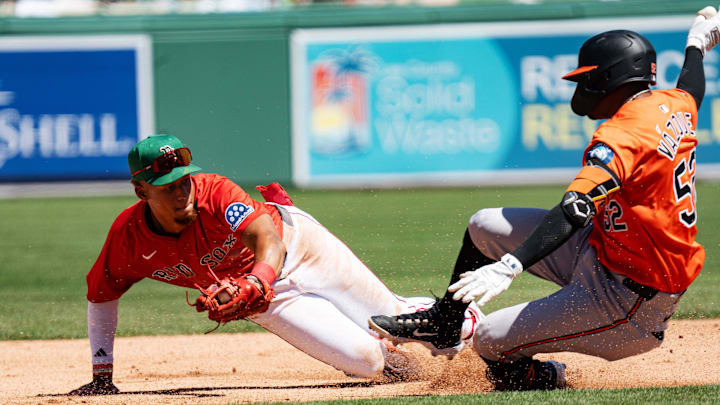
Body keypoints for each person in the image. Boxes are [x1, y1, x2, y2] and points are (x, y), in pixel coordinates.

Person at [369, 6, 719, 391]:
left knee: (488, 340)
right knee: (484, 224)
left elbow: (575, 209)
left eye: (586, 80)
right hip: (606, 251)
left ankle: (546, 376)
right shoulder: (669, 105)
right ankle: (446, 325)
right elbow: (691, 88)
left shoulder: (623, 136)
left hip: (630, 300)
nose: (579, 89)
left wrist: (509, 266)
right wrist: (696, 46)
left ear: (608, 79)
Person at [68, 134, 482, 395]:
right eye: (167, 187)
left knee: (403, 322)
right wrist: (102, 377)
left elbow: (266, 238)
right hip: (268, 299)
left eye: (183, 181)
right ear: (141, 190)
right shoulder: (127, 238)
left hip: (301, 247)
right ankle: (410, 366)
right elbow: (101, 295)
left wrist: (254, 280)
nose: (182, 193)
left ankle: (471, 322)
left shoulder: (214, 192)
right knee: (371, 363)